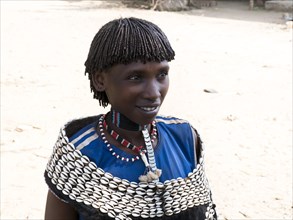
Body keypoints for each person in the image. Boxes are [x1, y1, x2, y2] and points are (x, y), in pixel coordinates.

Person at [44, 17, 217, 220]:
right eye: (135, 77)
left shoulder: (185, 138)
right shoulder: (78, 155)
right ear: (100, 80)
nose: (154, 93)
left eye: (162, 74)